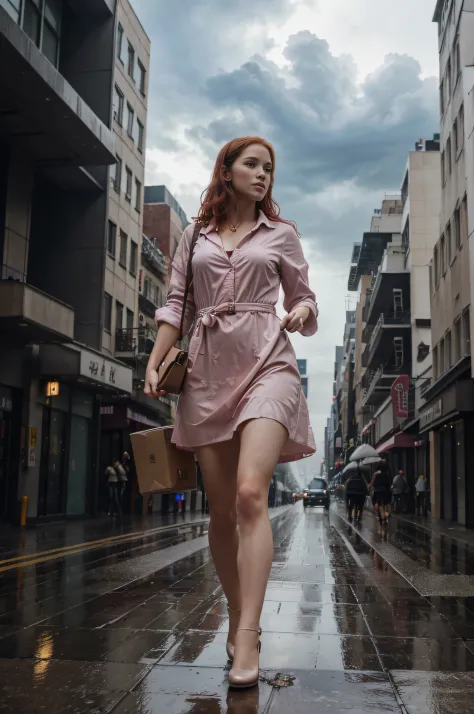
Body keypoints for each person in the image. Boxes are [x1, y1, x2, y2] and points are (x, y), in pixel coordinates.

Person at [144, 137, 318, 689]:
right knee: (220, 511)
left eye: (270, 167)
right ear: (227, 170)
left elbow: (306, 299)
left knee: (249, 493)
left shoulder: (282, 235)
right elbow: (176, 304)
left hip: (269, 361)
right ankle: (239, 611)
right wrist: (156, 359)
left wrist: (301, 310)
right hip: (205, 372)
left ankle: (247, 632)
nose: (263, 174)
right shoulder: (195, 236)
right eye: (252, 164)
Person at [369, 460, 392, 525]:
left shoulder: (375, 474)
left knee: (380, 505)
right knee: (387, 503)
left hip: (378, 491)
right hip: (386, 491)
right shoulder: (387, 473)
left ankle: (383, 518)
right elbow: (389, 482)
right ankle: (387, 514)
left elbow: (372, 483)